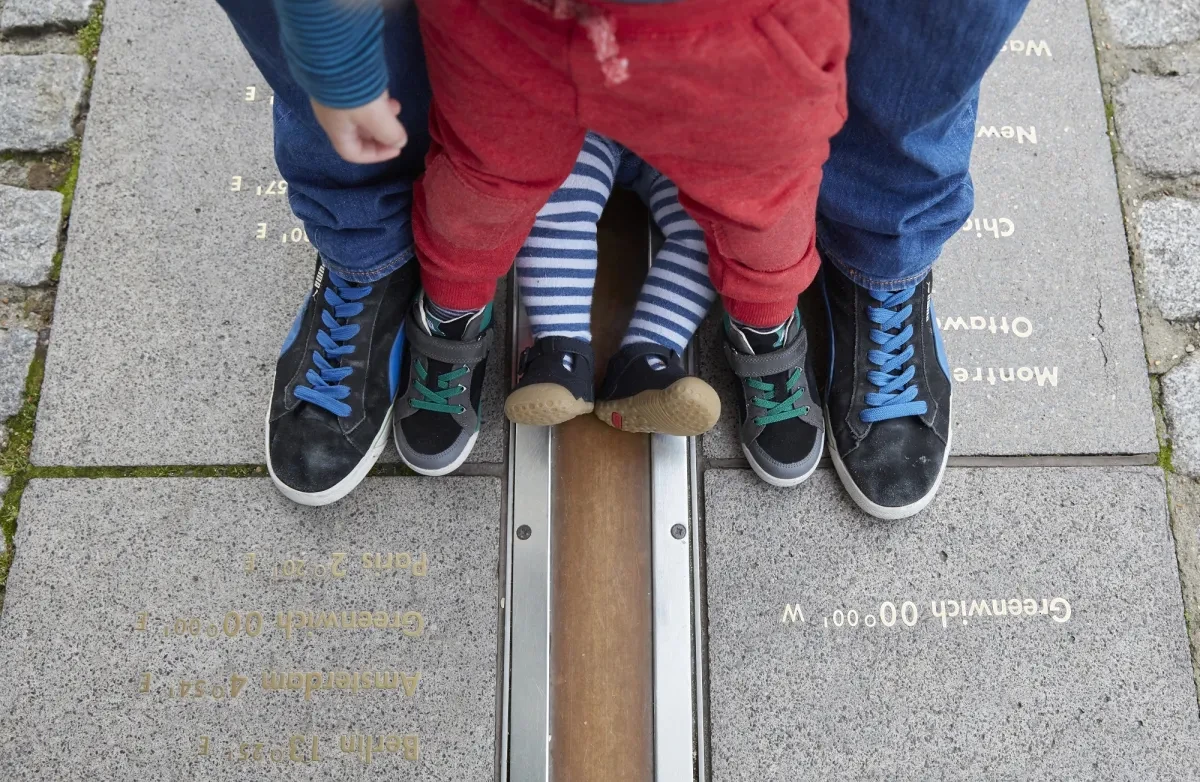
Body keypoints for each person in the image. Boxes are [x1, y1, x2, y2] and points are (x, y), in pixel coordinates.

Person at [217, 0, 1029, 518]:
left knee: (758, 217)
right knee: (487, 189)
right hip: (512, 27)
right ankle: (466, 315)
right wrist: (335, 50)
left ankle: (750, 336)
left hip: (735, 37)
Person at [507, 131, 720, 437]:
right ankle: (564, 356)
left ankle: (639, 365)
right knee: (561, 196)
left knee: (713, 232)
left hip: (683, 135)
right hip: (592, 122)